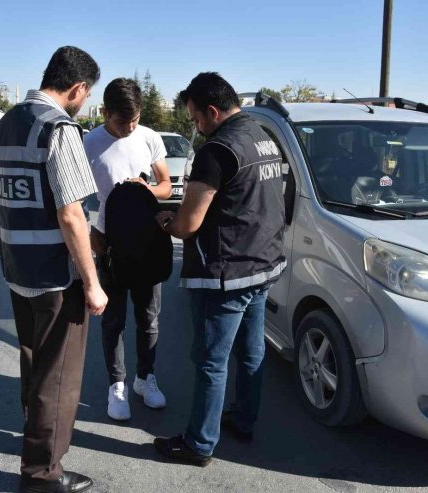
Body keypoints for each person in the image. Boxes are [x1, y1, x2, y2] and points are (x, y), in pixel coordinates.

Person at [0, 46, 105, 493]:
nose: (85, 102)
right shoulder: (58, 128)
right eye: (86, 95)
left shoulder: (4, 126)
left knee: (35, 367)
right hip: (57, 276)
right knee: (58, 378)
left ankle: (36, 438)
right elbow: (72, 215)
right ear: (77, 88)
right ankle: (42, 475)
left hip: (18, 269)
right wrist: (92, 283)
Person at [153, 72, 286, 466]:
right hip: (264, 265)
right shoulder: (265, 137)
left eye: (195, 119)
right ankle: (243, 420)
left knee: (211, 360)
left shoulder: (218, 150)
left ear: (212, 111)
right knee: (251, 352)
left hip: (226, 272)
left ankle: (199, 444)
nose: (195, 127)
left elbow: (189, 223)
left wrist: (164, 220)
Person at [83, 78, 172, 421]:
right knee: (114, 320)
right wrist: (91, 231)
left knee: (149, 318)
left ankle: (145, 379)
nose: (129, 127)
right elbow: (74, 197)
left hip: (148, 242)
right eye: (122, 122)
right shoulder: (89, 143)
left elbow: (165, 185)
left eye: (135, 120)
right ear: (105, 112)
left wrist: (147, 188)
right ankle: (116, 385)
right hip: (109, 243)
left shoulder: (149, 137)